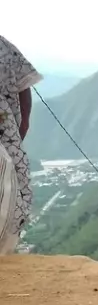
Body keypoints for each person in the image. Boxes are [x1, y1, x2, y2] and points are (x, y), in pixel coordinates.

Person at [0, 34, 43, 254]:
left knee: (8, 192)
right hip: (8, 135)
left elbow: (24, 84)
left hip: (6, 136)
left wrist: (23, 122)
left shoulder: (4, 47)